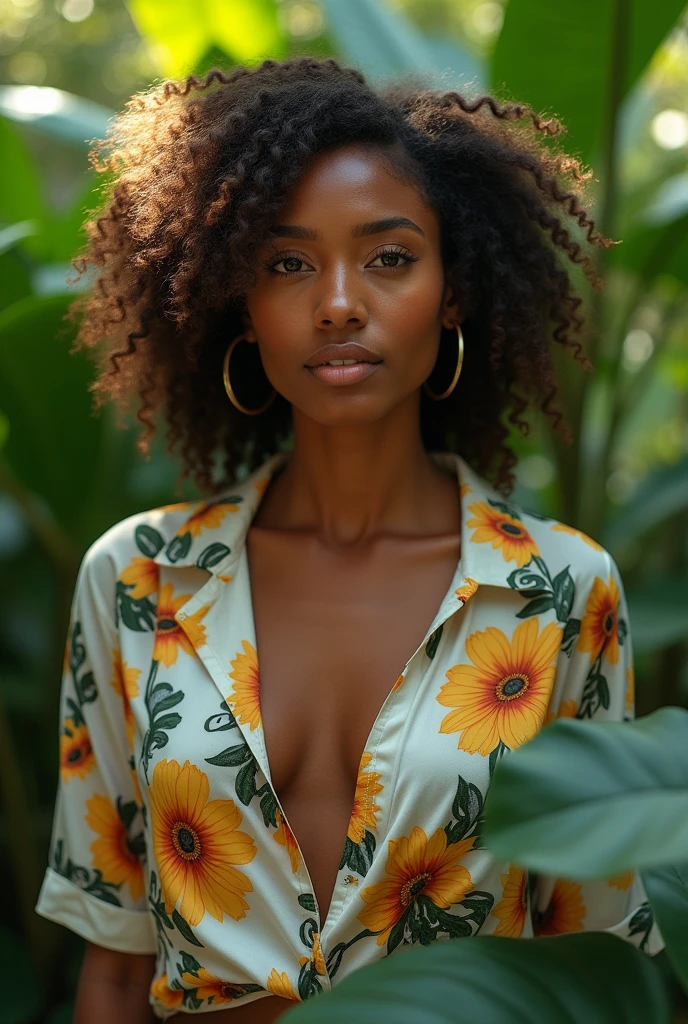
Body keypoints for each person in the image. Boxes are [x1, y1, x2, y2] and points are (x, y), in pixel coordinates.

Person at [35, 56, 663, 1023]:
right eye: (288, 263)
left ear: (453, 290)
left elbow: (597, 958)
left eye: (390, 257)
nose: (337, 301)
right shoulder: (135, 581)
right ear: (239, 299)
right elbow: (114, 968)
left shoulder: (560, 590)